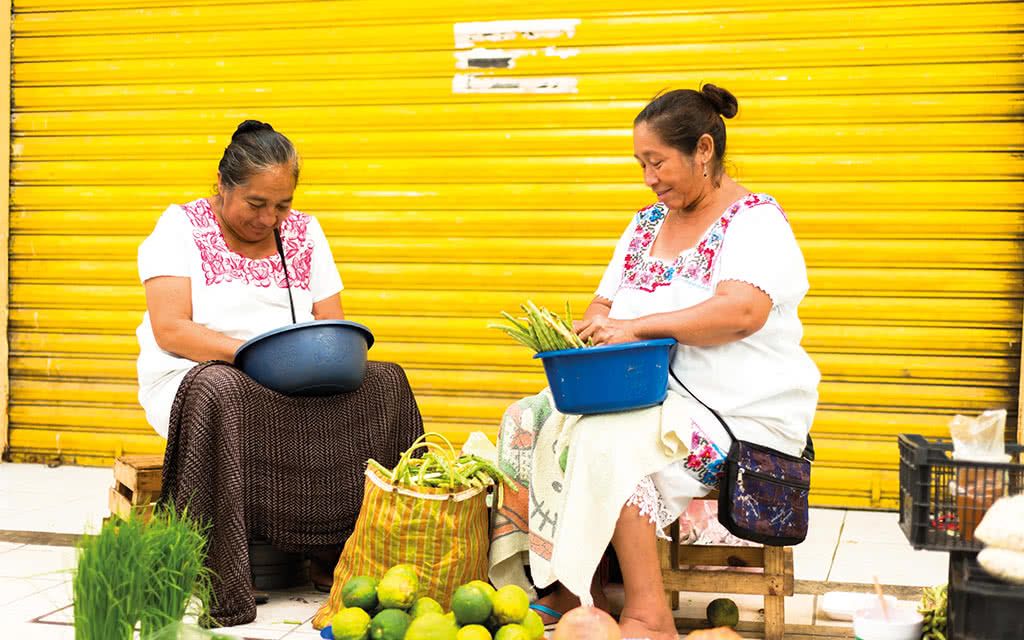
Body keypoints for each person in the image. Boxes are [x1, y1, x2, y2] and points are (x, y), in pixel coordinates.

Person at [489, 85, 820, 640]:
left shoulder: (754, 221)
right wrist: (590, 329)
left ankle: (649, 613)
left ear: (704, 150)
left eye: (657, 161)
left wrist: (637, 327)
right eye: (641, 163)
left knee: (608, 442)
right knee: (528, 420)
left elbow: (742, 311)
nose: (649, 177)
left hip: (738, 409)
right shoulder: (646, 224)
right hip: (649, 394)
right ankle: (574, 589)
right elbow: (604, 303)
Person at [136, 120, 424, 626]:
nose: (270, 218)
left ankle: (345, 552)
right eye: (256, 204)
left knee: (385, 381)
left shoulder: (305, 232)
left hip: (289, 375)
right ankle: (220, 570)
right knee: (219, 389)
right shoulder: (178, 227)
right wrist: (250, 355)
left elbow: (331, 322)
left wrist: (316, 359)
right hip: (200, 375)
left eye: (282, 205)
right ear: (222, 187)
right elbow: (171, 330)